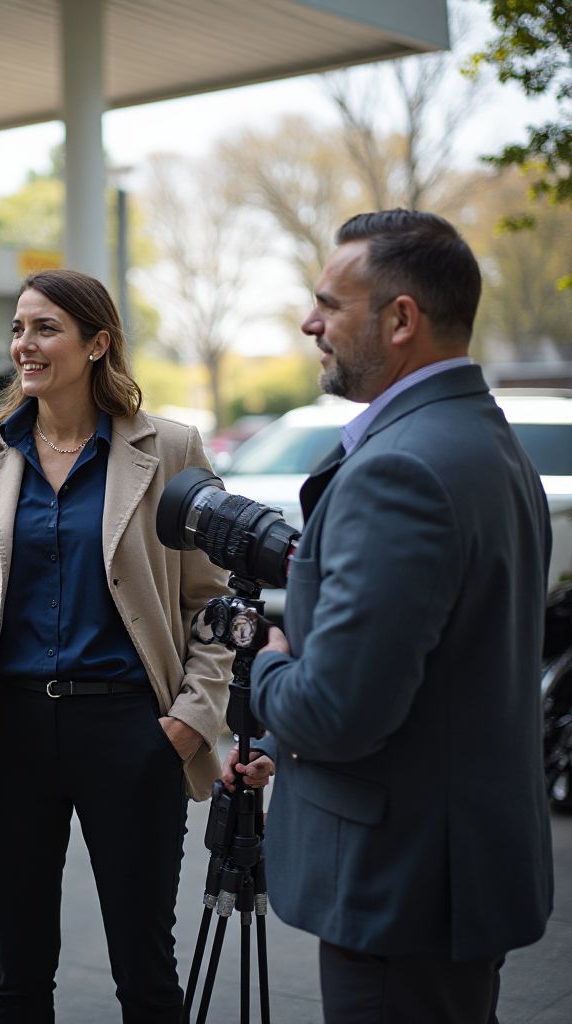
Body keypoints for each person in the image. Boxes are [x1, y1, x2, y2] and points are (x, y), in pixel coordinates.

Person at [222, 209, 553, 1023]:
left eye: (330, 304)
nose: (310, 323)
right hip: (452, 880)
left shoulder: (400, 468)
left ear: (401, 318)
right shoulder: (487, 440)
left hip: (402, 894)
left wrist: (264, 663)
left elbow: (336, 713)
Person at [0, 269, 236, 1023]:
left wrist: (193, 718)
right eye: (19, 328)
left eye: (45, 328)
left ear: (98, 344)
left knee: (146, 972)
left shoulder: (172, 449)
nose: (25, 345)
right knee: (16, 976)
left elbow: (215, 604)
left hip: (131, 734)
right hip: (10, 732)